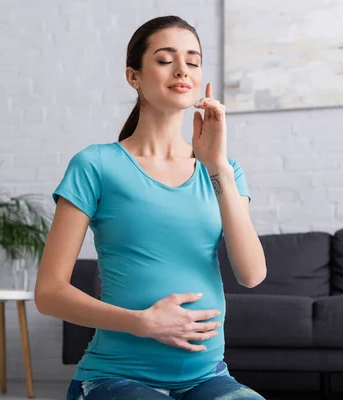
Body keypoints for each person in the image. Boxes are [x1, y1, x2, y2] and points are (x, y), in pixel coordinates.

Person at [34, 15, 267, 400]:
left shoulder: (224, 171)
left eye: (193, 61)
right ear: (134, 76)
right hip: (114, 378)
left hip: (208, 377)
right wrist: (143, 323)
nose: (182, 70)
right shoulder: (96, 165)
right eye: (165, 59)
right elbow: (49, 292)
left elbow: (252, 274)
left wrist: (218, 167)